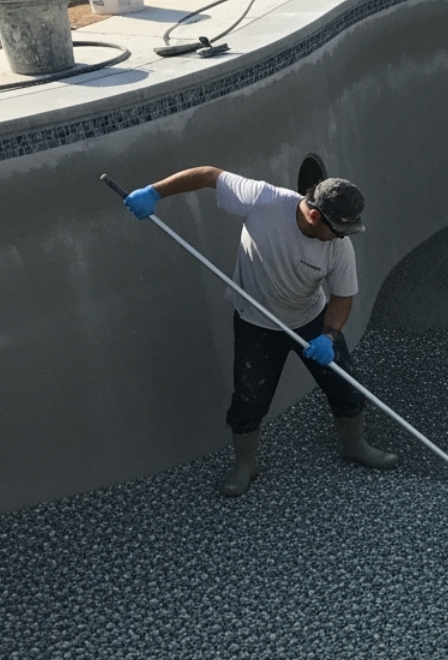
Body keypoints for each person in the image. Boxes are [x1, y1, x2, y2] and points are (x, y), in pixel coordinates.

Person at [124, 168, 399, 497]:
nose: (342, 236)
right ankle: (246, 465)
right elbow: (209, 175)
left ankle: (356, 446)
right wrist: (154, 193)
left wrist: (328, 336)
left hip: (310, 319)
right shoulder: (263, 201)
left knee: (347, 386)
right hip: (256, 322)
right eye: (338, 230)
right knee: (248, 401)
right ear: (314, 215)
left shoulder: (339, 247)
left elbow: (342, 298)